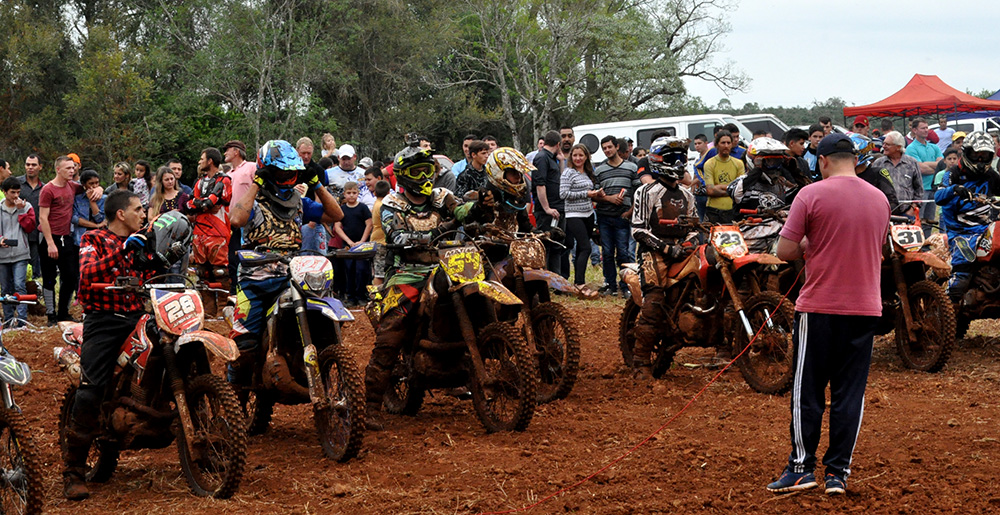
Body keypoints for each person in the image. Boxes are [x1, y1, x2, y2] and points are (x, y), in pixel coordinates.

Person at [765, 133, 889, 496]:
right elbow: (881, 248)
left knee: (808, 391)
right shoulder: (879, 198)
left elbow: (785, 250)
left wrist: (809, 244)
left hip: (819, 306)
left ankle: (801, 468)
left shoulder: (810, 195)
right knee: (850, 393)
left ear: (822, 161)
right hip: (865, 307)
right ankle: (838, 472)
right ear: (855, 159)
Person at [363, 145, 493, 430]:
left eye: (428, 170)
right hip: (409, 271)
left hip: (447, 263)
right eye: (417, 171)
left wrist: (479, 206)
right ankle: (371, 405)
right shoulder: (392, 203)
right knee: (391, 333)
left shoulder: (441, 196)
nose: (424, 176)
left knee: (481, 294)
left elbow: (460, 210)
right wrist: (436, 231)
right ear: (404, 175)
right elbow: (396, 236)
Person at [61, 189, 167, 500]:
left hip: (138, 316)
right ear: (121, 214)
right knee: (91, 389)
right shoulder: (93, 239)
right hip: (104, 321)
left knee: (169, 350)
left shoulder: (141, 241)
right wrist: (122, 251)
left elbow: (152, 275)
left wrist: (162, 260)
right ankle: (73, 471)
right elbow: (86, 276)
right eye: (138, 209)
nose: (143, 214)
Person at [228, 140, 343, 388]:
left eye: (292, 172)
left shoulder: (299, 201)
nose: (287, 177)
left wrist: (317, 184)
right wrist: (257, 183)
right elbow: (236, 219)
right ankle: (233, 395)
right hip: (255, 280)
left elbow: (336, 215)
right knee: (244, 346)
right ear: (268, 171)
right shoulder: (254, 203)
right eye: (281, 172)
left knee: (320, 319)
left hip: (292, 277)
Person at [629, 136, 698, 379]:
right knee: (654, 301)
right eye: (673, 158)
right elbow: (638, 230)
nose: (679, 163)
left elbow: (694, 226)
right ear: (658, 161)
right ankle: (640, 361)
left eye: (681, 158)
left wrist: (691, 242)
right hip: (653, 253)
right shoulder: (646, 192)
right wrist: (667, 249)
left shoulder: (687, 195)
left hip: (682, 250)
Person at [935, 131, 1000, 304]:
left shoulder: (991, 175)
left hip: (986, 228)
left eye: (984, 156)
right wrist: (954, 189)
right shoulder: (953, 173)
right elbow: (938, 197)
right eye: (976, 155)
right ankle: (948, 304)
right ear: (966, 153)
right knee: (962, 275)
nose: (980, 160)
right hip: (961, 231)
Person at [40, 156, 102, 324]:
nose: (72, 171)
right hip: (49, 237)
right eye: (68, 168)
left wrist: (99, 189)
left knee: (71, 276)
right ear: (58, 169)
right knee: (49, 278)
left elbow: (90, 185)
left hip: (66, 238)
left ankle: (63, 312)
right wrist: (50, 243)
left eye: (73, 168)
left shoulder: (72, 186)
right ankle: (51, 314)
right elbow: (43, 218)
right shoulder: (48, 189)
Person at [186, 148, 232, 316]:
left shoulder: (224, 180)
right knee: (201, 272)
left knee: (220, 272)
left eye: (202, 158)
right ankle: (208, 310)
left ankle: (223, 309)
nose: (199, 161)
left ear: (210, 161)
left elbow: (210, 203)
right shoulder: (199, 182)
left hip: (218, 230)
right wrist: (202, 204)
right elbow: (189, 204)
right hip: (199, 231)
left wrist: (200, 204)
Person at [595, 135, 639, 295]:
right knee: (607, 252)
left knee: (623, 252)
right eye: (604, 148)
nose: (607, 150)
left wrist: (630, 212)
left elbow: (638, 193)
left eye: (609, 147)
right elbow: (594, 194)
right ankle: (610, 284)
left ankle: (626, 285)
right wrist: (609, 198)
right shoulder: (599, 170)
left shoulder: (631, 168)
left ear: (617, 147)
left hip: (622, 217)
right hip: (604, 216)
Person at [560, 144, 602, 297]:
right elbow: (563, 194)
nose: (578, 158)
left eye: (581, 155)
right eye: (575, 155)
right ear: (571, 157)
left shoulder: (588, 172)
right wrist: (586, 194)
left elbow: (590, 192)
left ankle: (579, 281)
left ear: (586, 157)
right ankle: (579, 283)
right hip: (573, 214)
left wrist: (596, 194)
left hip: (588, 213)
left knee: (580, 249)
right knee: (586, 247)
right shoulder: (568, 173)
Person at [0, 178, 36, 327]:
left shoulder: (26, 206)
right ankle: (8, 319)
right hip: (2, 254)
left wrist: (21, 211)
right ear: (4, 192)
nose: (16, 196)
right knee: (5, 288)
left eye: (18, 192)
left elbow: (30, 227)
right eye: (12, 192)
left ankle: (22, 321)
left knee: (19, 285)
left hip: (21, 252)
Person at [532, 130, 567, 275]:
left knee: (557, 245)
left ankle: (556, 278)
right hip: (547, 211)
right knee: (546, 245)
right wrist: (546, 208)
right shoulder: (541, 158)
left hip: (558, 207)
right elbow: (540, 185)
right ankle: (545, 278)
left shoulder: (552, 158)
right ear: (558, 144)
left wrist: (561, 161)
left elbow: (560, 179)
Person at [332, 182, 372, 306]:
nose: (351, 195)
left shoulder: (363, 208)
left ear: (358, 193)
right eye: (349, 193)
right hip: (347, 245)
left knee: (361, 270)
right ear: (344, 194)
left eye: (354, 193)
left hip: (362, 245)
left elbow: (369, 224)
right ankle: (350, 297)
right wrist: (349, 241)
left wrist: (362, 241)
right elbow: (337, 227)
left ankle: (361, 296)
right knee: (348, 270)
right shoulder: (341, 210)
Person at [905, 118, 944, 231]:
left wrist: (926, 164)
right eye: (923, 128)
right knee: (918, 220)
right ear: (914, 130)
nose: (926, 130)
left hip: (933, 189)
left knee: (930, 221)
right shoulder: (911, 148)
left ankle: (927, 241)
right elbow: (920, 169)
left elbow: (943, 165)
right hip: (920, 190)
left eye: (927, 127)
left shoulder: (934, 147)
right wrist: (935, 167)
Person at [870, 131, 920, 216]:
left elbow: (919, 190)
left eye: (887, 144)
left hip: (907, 214)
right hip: (883, 213)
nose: (883, 146)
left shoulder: (912, 163)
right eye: (883, 143)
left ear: (898, 147)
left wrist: (912, 209)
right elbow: (872, 189)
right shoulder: (878, 163)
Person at [702, 130, 745, 224]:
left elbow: (740, 190)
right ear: (717, 145)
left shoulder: (738, 163)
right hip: (714, 212)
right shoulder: (709, 164)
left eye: (728, 143)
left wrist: (718, 187)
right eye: (723, 143)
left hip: (732, 211)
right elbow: (710, 190)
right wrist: (731, 189)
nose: (726, 146)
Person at [18, 154, 45, 278]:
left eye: (34, 165)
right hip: (18, 232)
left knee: (34, 270)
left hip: (37, 234)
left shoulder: (45, 188)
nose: (30, 167)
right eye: (28, 164)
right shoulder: (16, 184)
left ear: (40, 167)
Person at [71, 169, 106, 246]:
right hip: (80, 238)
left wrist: (92, 201)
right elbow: (75, 219)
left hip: (99, 239)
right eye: (91, 183)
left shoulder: (104, 199)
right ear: (84, 184)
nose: (94, 186)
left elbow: (100, 219)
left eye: (97, 183)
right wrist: (96, 226)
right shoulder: (78, 199)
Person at [371, 180, 390, 286]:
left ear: (375, 193)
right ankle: (375, 295)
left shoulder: (376, 203)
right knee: (380, 275)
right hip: (382, 242)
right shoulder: (383, 206)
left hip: (377, 239)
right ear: (388, 193)